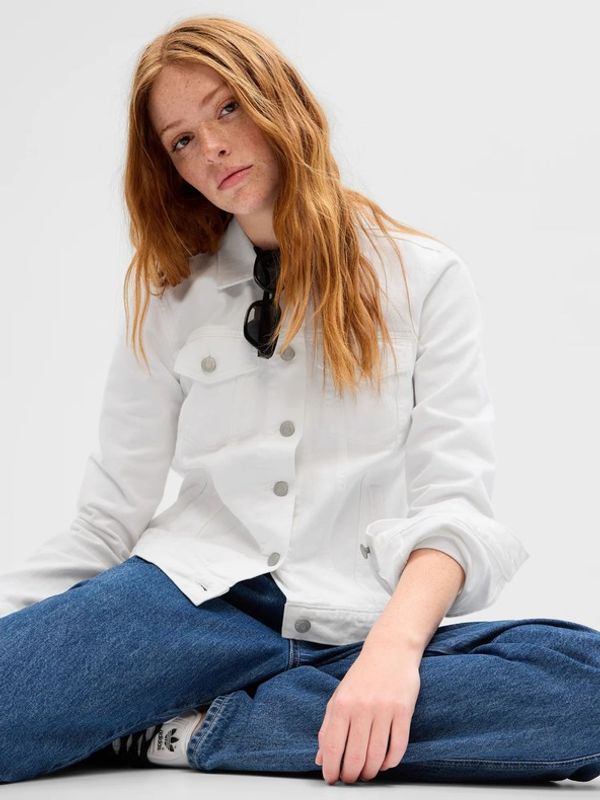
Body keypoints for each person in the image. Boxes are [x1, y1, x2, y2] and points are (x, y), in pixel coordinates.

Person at [1, 14, 599, 787]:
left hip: (352, 620)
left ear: (277, 100)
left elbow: (453, 503)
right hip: (185, 603)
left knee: (584, 686)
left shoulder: (423, 278)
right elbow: (107, 518)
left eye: (227, 109)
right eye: (181, 141)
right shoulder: (172, 297)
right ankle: (252, 713)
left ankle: (186, 729)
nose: (211, 148)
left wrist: (392, 654)